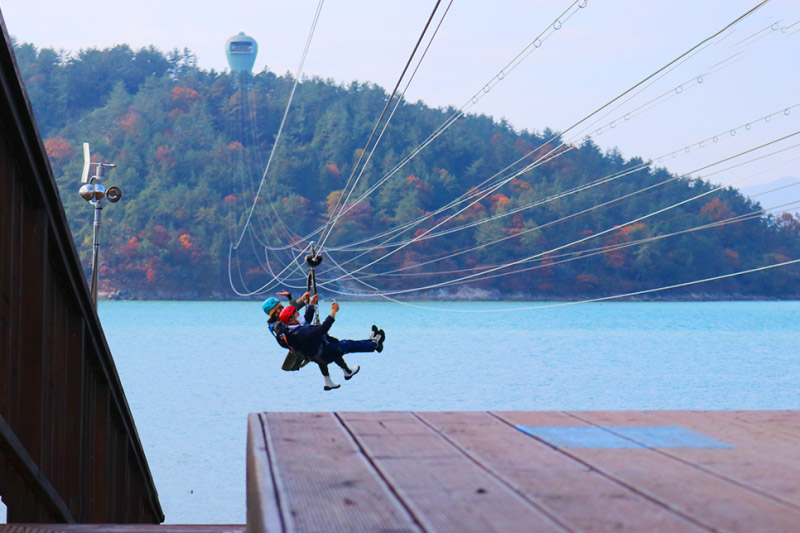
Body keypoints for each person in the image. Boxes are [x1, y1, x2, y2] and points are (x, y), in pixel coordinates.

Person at [277, 300, 385, 390]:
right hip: (325, 353)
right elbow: (322, 328)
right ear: (291, 320)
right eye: (296, 313)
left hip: (317, 355)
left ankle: (338, 376)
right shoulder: (301, 333)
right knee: (347, 345)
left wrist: (310, 305)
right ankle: (375, 344)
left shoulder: (290, 333)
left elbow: (308, 325)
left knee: (337, 347)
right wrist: (333, 312)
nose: (299, 315)